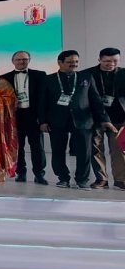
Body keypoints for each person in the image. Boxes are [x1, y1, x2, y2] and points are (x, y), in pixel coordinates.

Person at [39, 50, 114, 189]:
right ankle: (63, 178)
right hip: (57, 120)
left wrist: (105, 119)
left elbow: (96, 100)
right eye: (70, 62)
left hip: (83, 120)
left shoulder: (86, 77)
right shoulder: (49, 79)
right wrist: (42, 121)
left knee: (84, 152)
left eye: (76, 62)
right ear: (60, 62)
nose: (74, 64)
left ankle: (82, 179)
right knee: (58, 151)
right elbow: (42, 102)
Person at [0, 51, 48, 184]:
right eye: (18, 59)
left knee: (37, 147)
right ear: (13, 61)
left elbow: (44, 99)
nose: (21, 62)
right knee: (17, 147)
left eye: (24, 59)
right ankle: (21, 173)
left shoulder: (40, 75)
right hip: (15, 117)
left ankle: (39, 174)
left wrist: (43, 119)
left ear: (29, 60)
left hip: (34, 116)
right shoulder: (4, 78)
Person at [83, 47, 125, 190]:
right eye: (107, 61)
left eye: (115, 60)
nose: (111, 64)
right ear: (99, 60)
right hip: (94, 118)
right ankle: (101, 179)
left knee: (119, 149)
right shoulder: (87, 74)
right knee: (96, 149)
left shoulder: (124, 73)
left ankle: (120, 179)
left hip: (119, 118)